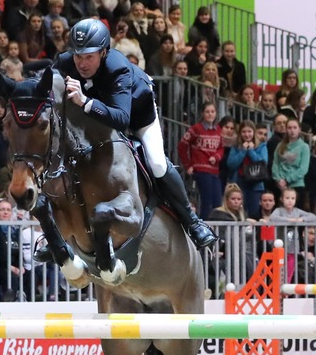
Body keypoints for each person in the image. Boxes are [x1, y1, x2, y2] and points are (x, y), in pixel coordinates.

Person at [44, 17, 216, 258]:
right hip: (96, 118)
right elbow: (45, 86)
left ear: (103, 52)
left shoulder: (118, 68)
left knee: (156, 162)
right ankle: (55, 230)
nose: (81, 63)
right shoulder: (65, 62)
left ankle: (193, 221)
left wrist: (84, 101)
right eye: (77, 56)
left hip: (137, 116)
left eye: (88, 56)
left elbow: (122, 119)